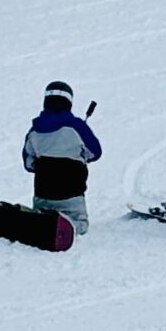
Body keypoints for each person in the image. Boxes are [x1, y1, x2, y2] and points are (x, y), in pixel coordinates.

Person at [22, 79, 101, 236]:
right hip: (71, 196)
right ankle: (69, 227)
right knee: (80, 224)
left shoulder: (34, 130)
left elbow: (28, 163)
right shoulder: (77, 126)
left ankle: (40, 219)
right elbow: (95, 152)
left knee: (42, 209)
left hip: (43, 195)